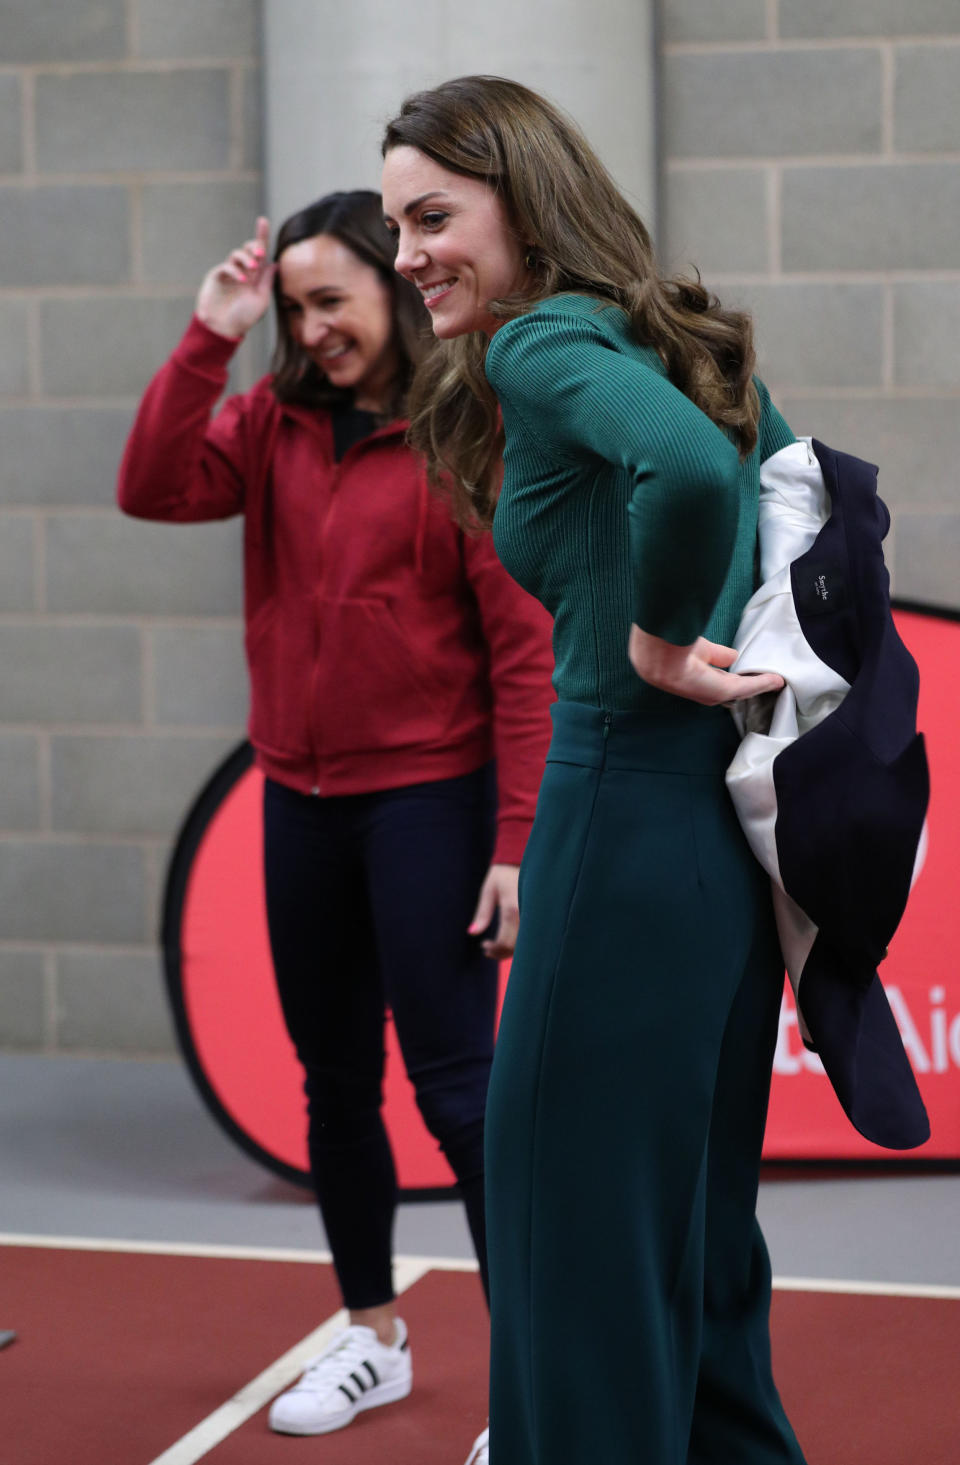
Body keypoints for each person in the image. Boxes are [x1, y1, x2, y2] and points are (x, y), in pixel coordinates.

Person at [381, 77, 808, 1465]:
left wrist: (659, 639)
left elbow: (686, 474)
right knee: (692, 1256)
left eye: (434, 216)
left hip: (618, 823)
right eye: (397, 225)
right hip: (722, 855)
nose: (410, 257)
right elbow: (791, 497)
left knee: (573, 1253)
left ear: (525, 197)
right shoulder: (671, 338)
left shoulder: (542, 348)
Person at [117, 190, 554, 1455]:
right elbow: (150, 485)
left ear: (391, 291)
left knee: (463, 1097)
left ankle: (535, 1380)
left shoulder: (462, 439)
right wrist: (213, 333)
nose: (312, 331)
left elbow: (524, 655)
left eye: (332, 303)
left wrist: (515, 841)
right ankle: (374, 1334)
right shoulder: (263, 427)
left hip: (433, 801)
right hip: (301, 805)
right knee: (334, 1089)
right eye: (294, 310)